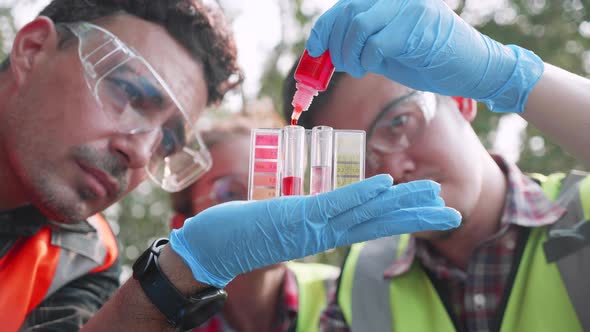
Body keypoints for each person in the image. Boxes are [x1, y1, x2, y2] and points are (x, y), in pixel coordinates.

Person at [0, 0, 460, 331]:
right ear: (33, 48)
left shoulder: (87, 259)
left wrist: (179, 273)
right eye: (128, 94)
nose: (141, 154)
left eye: (168, 140)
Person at [281, 0, 590, 331]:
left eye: (399, 122)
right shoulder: (360, 281)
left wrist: (511, 76)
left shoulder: (581, 214)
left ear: (461, 99)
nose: (391, 169)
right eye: (355, 156)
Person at [170, 111, 340, 332]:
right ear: (182, 225)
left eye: (275, 188)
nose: (263, 207)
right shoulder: (158, 320)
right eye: (231, 192)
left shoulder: (341, 293)